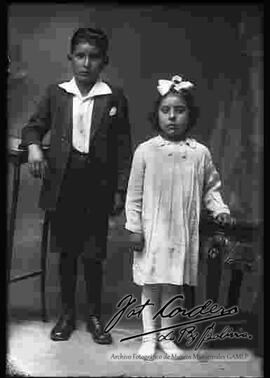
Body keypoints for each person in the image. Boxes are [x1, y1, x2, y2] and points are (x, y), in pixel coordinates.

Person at [21, 27, 132, 344]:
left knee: (94, 254)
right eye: (80, 56)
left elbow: (124, 146)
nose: (86, 63)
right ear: (71, 58)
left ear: (104, 61)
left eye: (93, 57)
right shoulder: (57, 94)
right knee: (67, 253)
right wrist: (34, 146)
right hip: (63, 184)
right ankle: (67, 314)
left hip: (97, 185)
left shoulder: (113, 96)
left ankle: (95, 316)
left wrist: (120, 189)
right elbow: (33, 127)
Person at [125, 75, 231, 358]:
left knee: (174, 285)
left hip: (182, 232)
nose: (172, 117)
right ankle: (149, 337)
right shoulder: (146, 151)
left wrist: (219, 209)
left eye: (179, 110)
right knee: (151, 283)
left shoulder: (199, 154)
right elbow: (133, 195)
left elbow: (211, 187)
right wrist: (134, 228)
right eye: (165, 110)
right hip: (152, 231)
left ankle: (167, 337)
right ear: (157, 114)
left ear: (190, 115)